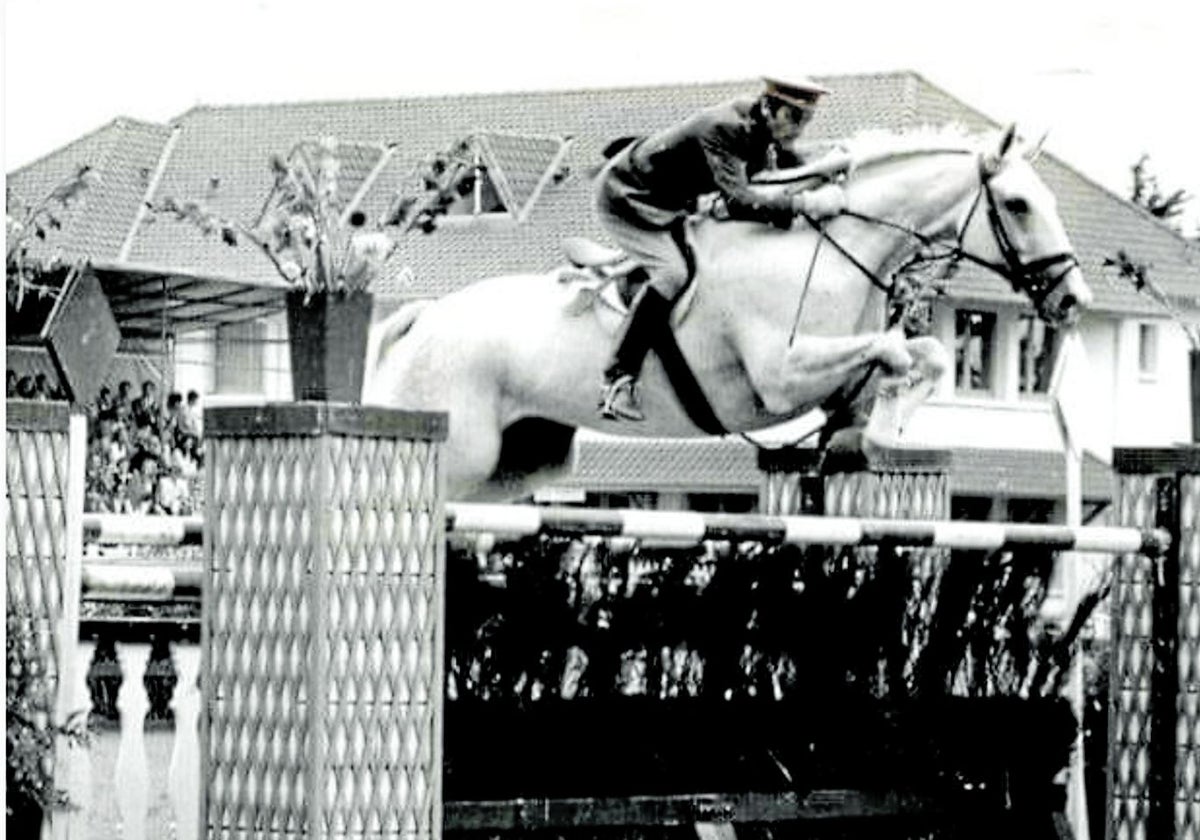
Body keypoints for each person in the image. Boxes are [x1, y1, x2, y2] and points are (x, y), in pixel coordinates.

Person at [595, 76, 848, 422]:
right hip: (629, 199)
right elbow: (742, 201)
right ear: (769, 108)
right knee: (672, 274)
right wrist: (807, 202)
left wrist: (829, 171)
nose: (800, 129)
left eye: (807, 121)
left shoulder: (765, 128)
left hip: (671, 200)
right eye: (796, 118)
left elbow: (788, 172)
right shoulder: (724, 128)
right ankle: (618, 379)